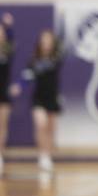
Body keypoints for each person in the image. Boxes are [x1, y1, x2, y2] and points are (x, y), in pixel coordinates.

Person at [23, 29, 63, 172]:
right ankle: (42, 155)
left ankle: (48, 155)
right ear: (40, 43)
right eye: (44, 40)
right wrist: (20, 86)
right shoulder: (33, 61)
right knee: (41, 125)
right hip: (38, 99)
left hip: (52, 98)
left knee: (51, 129)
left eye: (49, 40)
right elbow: (26, 78)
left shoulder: (56, 58)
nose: (46, 43)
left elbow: (62, 42)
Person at [0, 13, 15, 176]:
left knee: (2, 126)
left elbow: (11, 40)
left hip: (3, 93)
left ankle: (0, 155)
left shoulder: (7, 52)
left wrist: (8, 26)